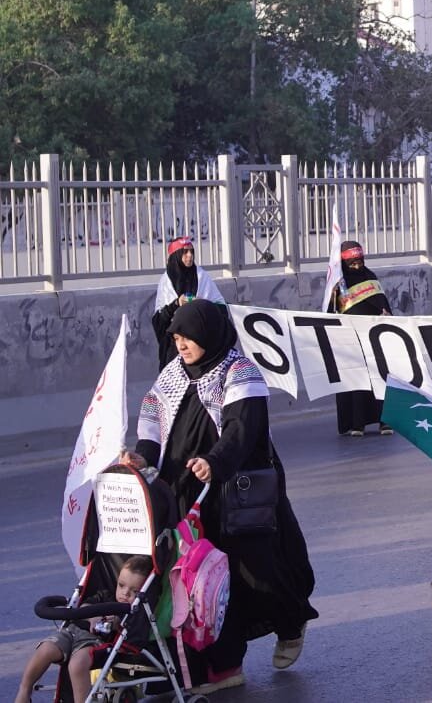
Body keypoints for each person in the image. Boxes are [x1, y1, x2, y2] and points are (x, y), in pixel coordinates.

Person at [121, 300, 318, 695]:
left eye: (187, 337)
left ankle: (290, 622)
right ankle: (224, 667)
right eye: (176, 338)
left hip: (233, 491)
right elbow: (154, 423)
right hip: (187, 495)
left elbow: (242, 430)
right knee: (199, 583)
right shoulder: (172, 376)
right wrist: (142, 454)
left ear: (208, 333)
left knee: (256, 575)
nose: (182, 345)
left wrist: (215, 461)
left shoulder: (239, 372)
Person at [16, 556, 151, 703]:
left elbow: (128, 630)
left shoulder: (131, 611)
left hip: (94, 641)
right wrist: (92, 615)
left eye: (134, 591)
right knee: (45, 649)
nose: (125, 593)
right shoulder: (105, 595)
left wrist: (115, 622)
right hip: (72, 630)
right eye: (121, 585)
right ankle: (24, 691)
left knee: (77, 664)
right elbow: (85, 606)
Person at [328, 241, 393, 437]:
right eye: (352, 264)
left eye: (360, 262)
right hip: (349, 339)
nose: (357, 267)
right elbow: (330, 312)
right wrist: (333, 296)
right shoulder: (338, 284)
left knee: (379, 379)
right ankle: (356, 424)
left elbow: (382, 302)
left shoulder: (370, 277)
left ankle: (385, 421)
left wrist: (386, 313)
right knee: (355, 381)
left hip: (373, 337)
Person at [152, 237, 225, 370]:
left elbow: (221, 308)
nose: (190, 256)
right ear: (176, 255)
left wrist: (201, 306)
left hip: (200, 344)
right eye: (185, 252)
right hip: (175, 349)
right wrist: (176, 304)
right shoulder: (166, 282)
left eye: (191, 252)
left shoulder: (201, 277)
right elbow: (159, 321)